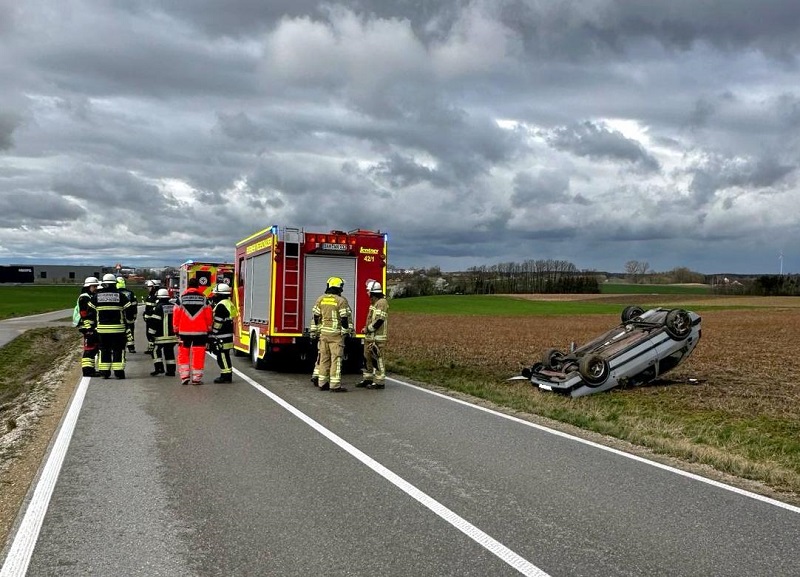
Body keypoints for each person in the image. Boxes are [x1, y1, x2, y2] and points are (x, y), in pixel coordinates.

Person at [88, 273, 136, 379]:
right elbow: (129, 311)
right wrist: (129, 322)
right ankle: (119, 372)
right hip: (118, 330)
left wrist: (91, 327)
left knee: (104, 350)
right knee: (118, 349)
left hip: (102, 330)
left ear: (104, 284)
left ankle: (105, 372)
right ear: (115, 284)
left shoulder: (97, 297)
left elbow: (90, 313)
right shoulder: (121, 296)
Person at [310, 276, 352, 392]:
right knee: (336, 360)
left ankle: (322, 383)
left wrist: (316, 330)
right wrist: (346, 332)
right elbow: (344, 318)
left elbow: (316, 316)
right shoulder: (341, 301)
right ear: (339, 287)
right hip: (336, 336)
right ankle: (335, 385)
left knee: (324, 359)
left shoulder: (320, 299)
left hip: (324, 334)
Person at [173, 276, 213, 385]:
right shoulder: (204, 299)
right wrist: (209, 329)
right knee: (198, 355)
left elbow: (176, 315)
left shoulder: (181, 299)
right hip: (200, 332)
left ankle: (184, 376)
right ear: (197, 287)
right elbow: (209, 316)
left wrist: (176, 330)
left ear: (188, 287)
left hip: (184, 332)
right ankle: (196, 378)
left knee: (183, 354)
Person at [356, 279, 389, 390]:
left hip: (378, 338)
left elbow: (379, 320)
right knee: (367, 359)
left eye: (368, 291)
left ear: (373, 292)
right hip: (370, 338)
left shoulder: (382, 303)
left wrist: (367, 329)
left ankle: (379, 382)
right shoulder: (374, 303)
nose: (367, 293)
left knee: (378, 360)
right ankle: (368, 379)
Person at [146, 288, 179, 377]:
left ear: (159, 297)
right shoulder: (174, 306)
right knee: (169, 352)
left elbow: (155, 322)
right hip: (172, 336)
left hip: (160, 336)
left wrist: (151, 334)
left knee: (155, 350)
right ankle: (171, 371)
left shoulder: (158, 307)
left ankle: (159, 368)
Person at [209, 283, 238, 383]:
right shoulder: (229, 303)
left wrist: (213, 333)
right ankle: (226, 374)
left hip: (221, 336)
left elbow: (218, 322)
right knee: (225, 355)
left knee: (222, 356)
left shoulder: (221, 305)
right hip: (228, 334)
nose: (214, 296)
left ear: (220, 294)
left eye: (216, 294)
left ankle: (226, 376)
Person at [76, 276, 101, 377]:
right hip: (87, 327)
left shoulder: (89, 296)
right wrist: (88, 328)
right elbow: (84, 314)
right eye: (94, 286)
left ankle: (91, 370)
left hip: (90, 326)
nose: (95, 288)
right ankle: (87, 371)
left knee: (93, 347)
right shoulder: (84, 297)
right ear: (88, 286)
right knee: (89, 348)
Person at [116, 276, 138, 353]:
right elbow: (134, 305)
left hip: (118, 317)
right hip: (129, 315)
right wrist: (134, 315)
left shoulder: (115, 294)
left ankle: (118, 347)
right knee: (130, 331)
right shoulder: (130, 293)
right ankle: (131, 347)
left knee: (118, 331)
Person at [142, 280, 160, 357]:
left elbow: (157, 308)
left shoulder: (156, 296)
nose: (149, 289)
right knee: (148, 334)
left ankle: (153, 348)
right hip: (149, 319)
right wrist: (145, 314)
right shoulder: (150, 296)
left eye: (150, 287)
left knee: (152, 334)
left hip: (153, 319)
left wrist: (150, 313)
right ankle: (150, 348)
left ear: (154, 287)